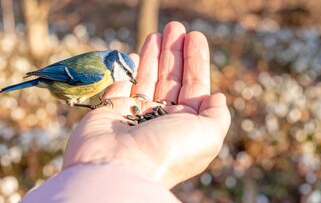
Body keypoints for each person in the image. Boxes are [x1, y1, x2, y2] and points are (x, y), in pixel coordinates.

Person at [20, 21, 231, 202]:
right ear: (115, 65)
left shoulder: (104, 69)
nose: (131, 79)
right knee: (80, 99)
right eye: (128, 73)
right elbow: (62, 72)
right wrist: (94, 107)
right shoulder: (97, 73)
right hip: (56, 82)